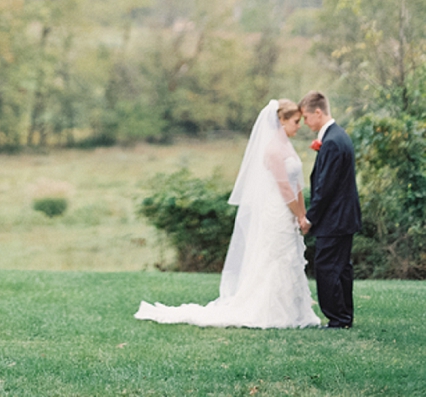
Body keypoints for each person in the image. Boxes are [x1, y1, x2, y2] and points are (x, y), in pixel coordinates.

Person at [135, 99, 320, 329]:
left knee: (289, 258)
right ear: (281, 121)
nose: (299, 126)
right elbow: (284, 189)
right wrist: (298, 215)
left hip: (289, 211)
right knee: (275, 258)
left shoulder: (287, 147)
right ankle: (273, 312)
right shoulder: (273, 150)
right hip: (276, 211)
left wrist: (302, 215)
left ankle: (294, 312)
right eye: (295, 121)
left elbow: (296, 186)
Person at [299, 90, 361, 329]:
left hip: (335, 218)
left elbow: (326, 187)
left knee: (328, 267)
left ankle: (337, 318)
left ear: (318, 112)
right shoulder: (338, 136)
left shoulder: (333, 141)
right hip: (343, 217)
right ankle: (344, 316)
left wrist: (310, 218)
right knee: (342, 268)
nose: (305, 122)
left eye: (306, 117)